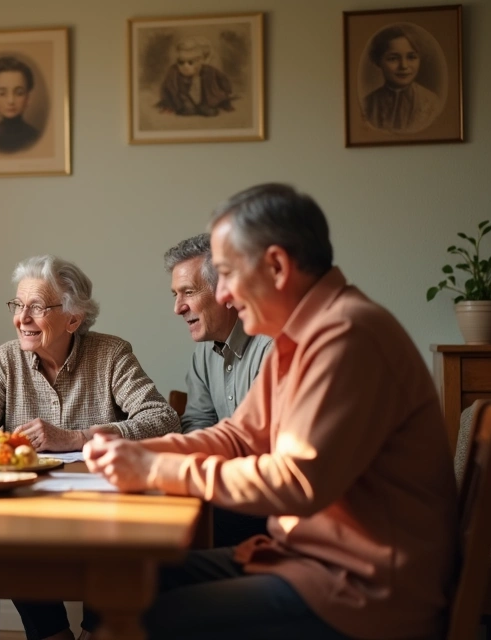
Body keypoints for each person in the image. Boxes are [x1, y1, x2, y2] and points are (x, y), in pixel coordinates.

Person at [83, 183, 458, 639]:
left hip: (361, 588)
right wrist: (132, 454)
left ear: (277, 266)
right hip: (304, 560)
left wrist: (155, 467)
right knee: (120, 582)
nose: (222, 295)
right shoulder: (299, 337)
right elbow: (238, 436)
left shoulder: (346, 336)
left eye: (225, 273)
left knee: (144, 614)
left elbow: (297, 482)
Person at [0, 254, 179, 640]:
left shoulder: (111, 354)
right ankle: (51, 635)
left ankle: (96, 631)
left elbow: (163, 420)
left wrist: (78, 437)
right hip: (29, 505)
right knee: (9, 542)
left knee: (115, 544)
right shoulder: (5, 360)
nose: (22, 318)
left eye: (36, 307)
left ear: (73, 318)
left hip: (104, 506)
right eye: (18, 306)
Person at [165, 232, 272, 547]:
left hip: (265, 507)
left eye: (187, 292)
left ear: (226, 291)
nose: (178, 308)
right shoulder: (203, 354)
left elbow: (266, 448)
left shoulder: (273, 346)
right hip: (223, 492)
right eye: (175, 294)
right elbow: (198, 423)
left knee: (146, 563)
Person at [361, 25, 442, 134]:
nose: (403, 66)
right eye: (393, 58)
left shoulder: (432, 102)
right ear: (378, 61)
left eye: (411, 57)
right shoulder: (368, 104)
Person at [0, 56, 42, 154]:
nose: (11, 101)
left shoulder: (37, 138)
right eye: (2, 93)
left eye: (19, 93)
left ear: (28, 98)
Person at [157, 37, 234, 117]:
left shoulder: (210, 71)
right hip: (184, 97)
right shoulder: (173, 72)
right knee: (188, 110)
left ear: (204, 60)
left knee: (210, 111)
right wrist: (169, 105)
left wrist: (226, 94)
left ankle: (204, 105)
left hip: (205, 98)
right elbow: (167, 88)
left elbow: (223, 81)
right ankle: (190, 107)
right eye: (181, 62)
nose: (185, 66)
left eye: (191, 62)